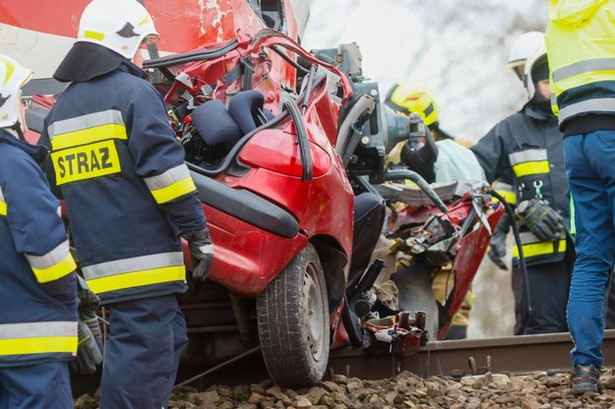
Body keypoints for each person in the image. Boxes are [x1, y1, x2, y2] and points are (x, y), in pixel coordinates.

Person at [38, 0, 214, 407]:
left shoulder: (61, 110)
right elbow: (166, 176)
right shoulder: (134, 93)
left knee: (166, 337)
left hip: (102, 257)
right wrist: (197, 232)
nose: (139, 53)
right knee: (143, 350)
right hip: (144, 254)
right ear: (123, 39)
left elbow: (54, 189)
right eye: (138, 43)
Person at [471, 43, 572, 336]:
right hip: (537, 258)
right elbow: (477, 180)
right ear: (531, 84)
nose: (553, 87)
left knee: (600, 330)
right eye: (545, 80)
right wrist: (504, 225)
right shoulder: (509, 131)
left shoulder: (583, 126)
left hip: (588, 253)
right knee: (542, 331)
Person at [0, 54, 78, 408]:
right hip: (28, 338)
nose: (25, 104)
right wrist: (74, 304)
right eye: (20, 97)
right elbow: (48, 257)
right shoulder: (13, 165)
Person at [545, 0, 615, 394]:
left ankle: (585, 370)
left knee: (591, 259)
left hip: (576, 144)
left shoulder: (556, 21)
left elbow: (558, 93)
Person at [382, 82, 484, 339]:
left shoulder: (439, 156)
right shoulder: (461, 152)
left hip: (434, 259)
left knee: (436, 324)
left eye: (398, 115)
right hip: (446, 260)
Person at [487, 31, 547, 271]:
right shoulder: (512, 130)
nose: (525, 79)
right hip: (535, 261)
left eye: (527, 70)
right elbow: (508, 186)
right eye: (520, 72)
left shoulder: (577, 123)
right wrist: (498, 229)